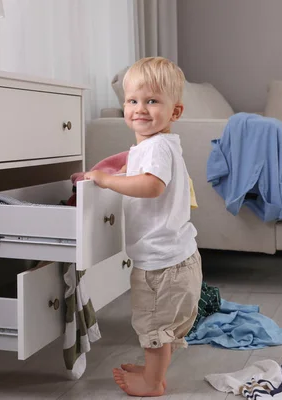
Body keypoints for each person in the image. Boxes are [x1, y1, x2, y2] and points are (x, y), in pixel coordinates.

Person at [84, 56, 202, 397]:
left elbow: (151, 186)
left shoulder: (154, 148)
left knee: (153, 325)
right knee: (162, 326)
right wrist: (120, 174)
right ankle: (155, 371)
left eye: (152, 101)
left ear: (174, 112)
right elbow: (143, 175)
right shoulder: (160, 145)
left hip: (161, 265)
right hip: (178, 257)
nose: (140, 109)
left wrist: (106, 181)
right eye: (133, 101)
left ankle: (152, 382)